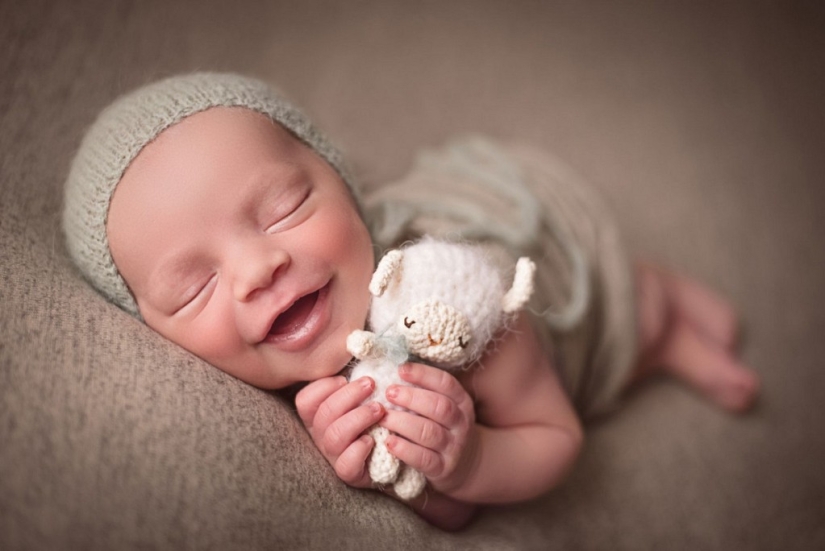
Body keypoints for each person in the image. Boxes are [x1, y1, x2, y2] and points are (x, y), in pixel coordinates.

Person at [63, 73, 759, 531]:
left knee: (625, 332)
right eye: (194, 287)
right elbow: (454, 513)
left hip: (547, 273)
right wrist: (405, 471)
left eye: (284, 207)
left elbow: (557, 437)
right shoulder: (302, 388)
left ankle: (664, 312)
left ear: (341, 180)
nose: (256, 269)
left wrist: (476, 458)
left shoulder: (456, 303)